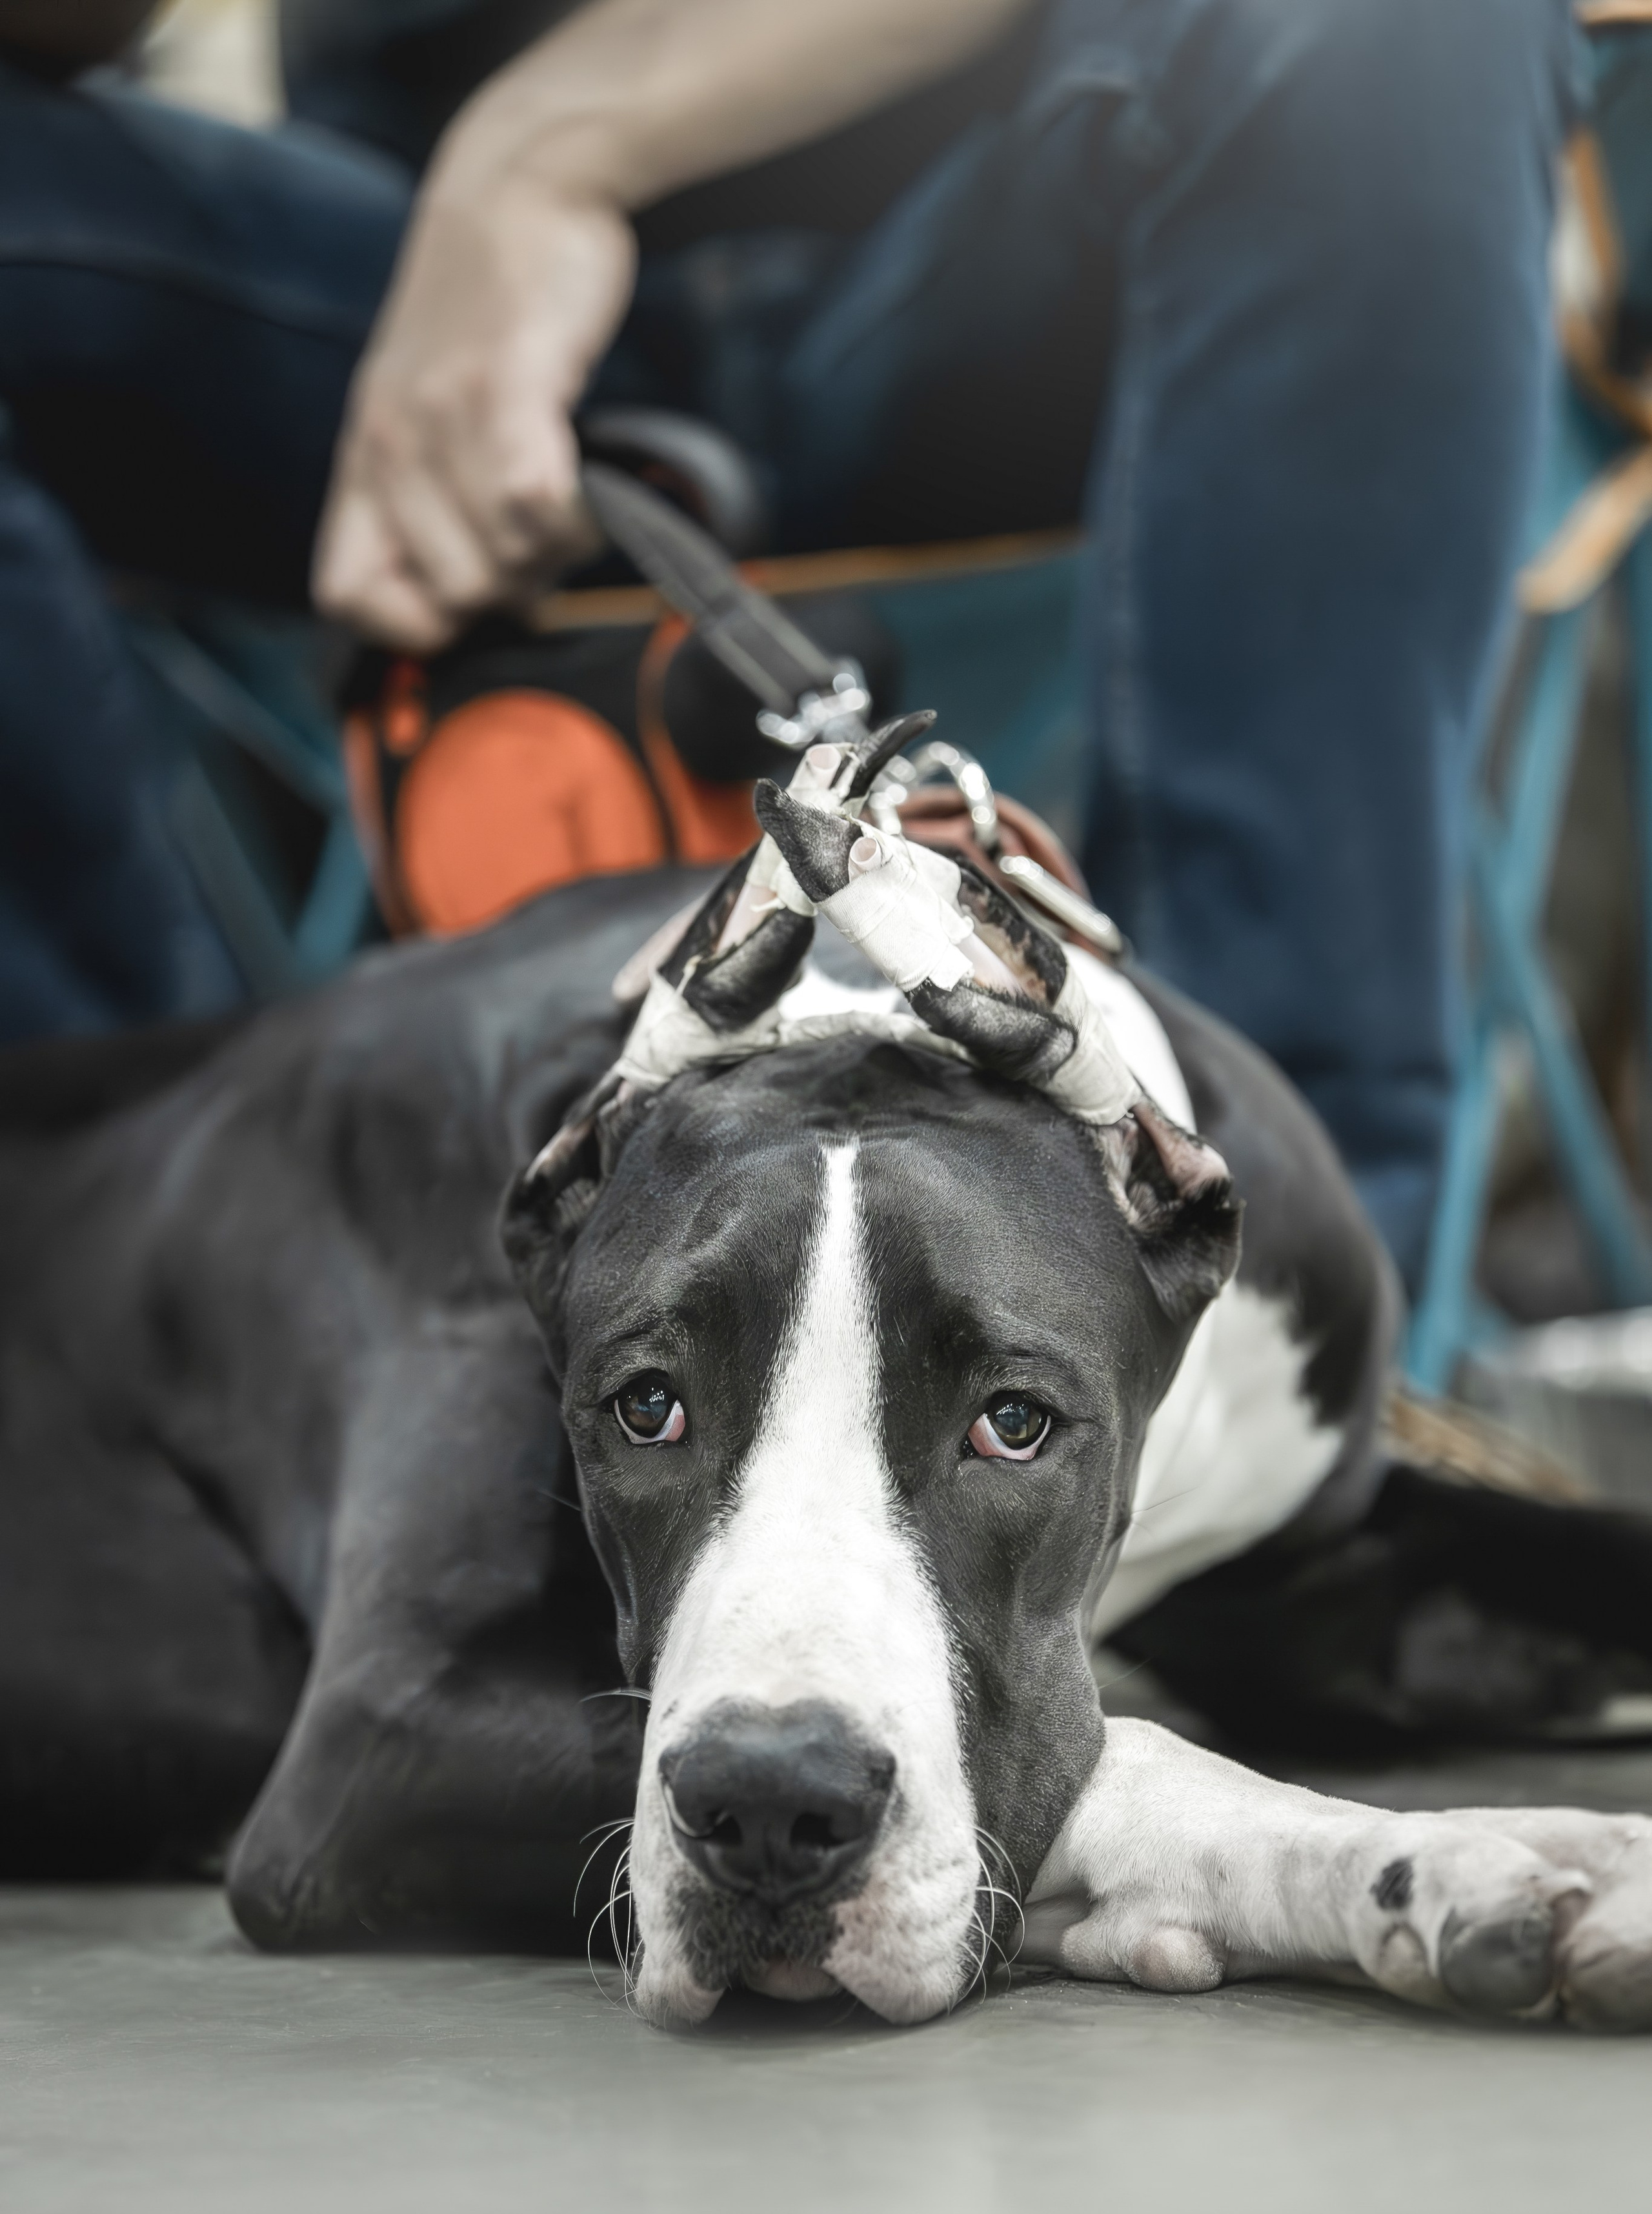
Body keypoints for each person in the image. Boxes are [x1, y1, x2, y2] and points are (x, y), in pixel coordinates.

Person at [0, 0, 1584, 1285]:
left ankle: (1268, 1314)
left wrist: (549, 149)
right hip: (397, 280)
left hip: (1016, 202)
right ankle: (156, 1326)